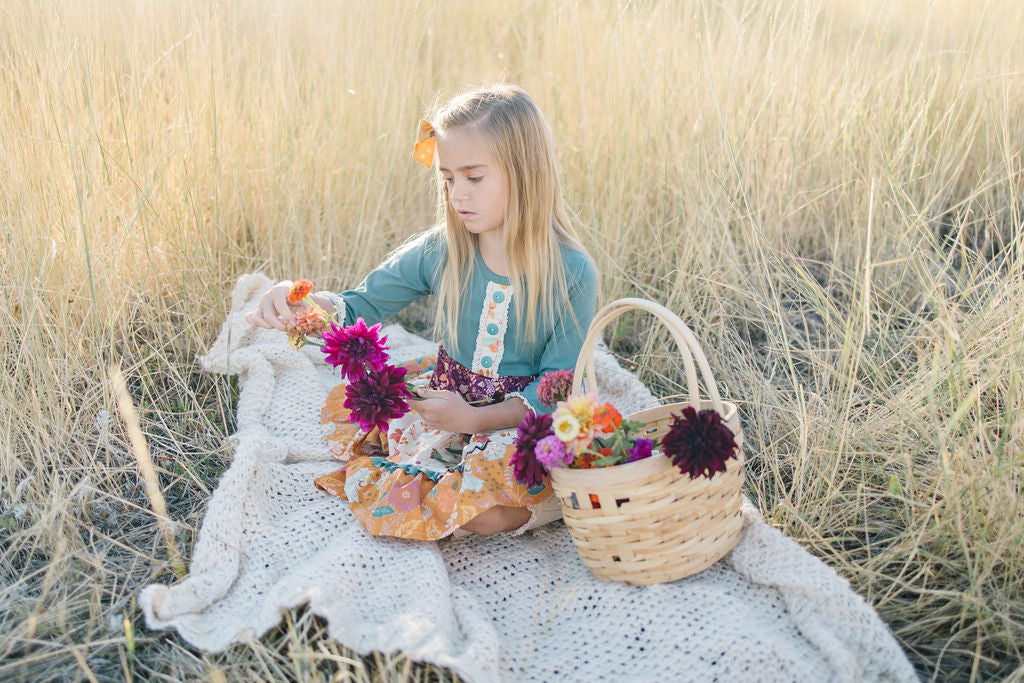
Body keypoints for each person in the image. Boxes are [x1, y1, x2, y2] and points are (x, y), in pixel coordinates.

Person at [245, 85, 597, 540]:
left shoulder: (570, 271)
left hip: (523, 420)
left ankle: (547, 503)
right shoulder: (444, 250)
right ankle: (482, 481)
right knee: (407, 473)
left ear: (524, 173)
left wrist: (474, 421)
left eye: (474, 177)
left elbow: (556, 387)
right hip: (451, 400)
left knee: (481, 511)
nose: (458, 195)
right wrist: (303, 303)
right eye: (449, 178)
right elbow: (362, 303)